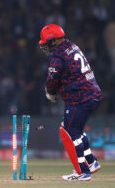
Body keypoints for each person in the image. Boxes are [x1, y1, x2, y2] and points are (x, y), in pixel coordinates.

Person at [39, 24, 102, 181]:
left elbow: (53, 78)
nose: (45, 46)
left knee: (68, 132)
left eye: (46, 42)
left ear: (53, 41)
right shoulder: (71, 45)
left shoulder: (57, 55)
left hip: (79, 98)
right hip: (92, 94)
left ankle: (82, 172)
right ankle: (91, 162)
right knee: (76, 130)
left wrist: (50, 93)